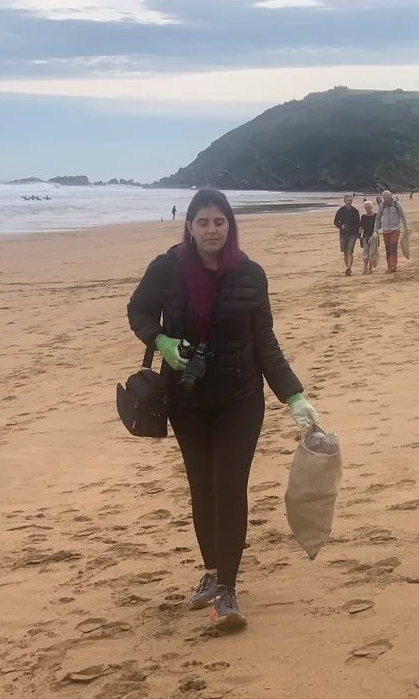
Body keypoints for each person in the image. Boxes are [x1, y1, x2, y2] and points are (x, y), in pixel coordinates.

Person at [127, 188, 319, 630]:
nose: (212, 229)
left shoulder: (250, 274)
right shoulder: (166, 268)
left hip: (240, 398)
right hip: (187, 400)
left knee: (229, 486)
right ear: (189, 227)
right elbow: (138, 311)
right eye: (203, 222)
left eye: (219, 221)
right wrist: (160, 340)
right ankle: (212, 571)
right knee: (202, 487)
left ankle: (227, 592)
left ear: (230, 225)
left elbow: (265, 343)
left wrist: (294, 396)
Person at [376, 191, 408, 274]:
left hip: (395, 229)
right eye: (384, 198)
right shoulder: (382, 206)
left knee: (393, 247)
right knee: (388, 249)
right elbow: (378, 218)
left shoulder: (397, 205)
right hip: (385, 230)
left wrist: (406, 228)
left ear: (391, 196)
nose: (386, 199)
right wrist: (375, 230)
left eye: (387, 197)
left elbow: (402, 216)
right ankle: (389, 266)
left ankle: (393, 266)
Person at [333, 194, 360, 276]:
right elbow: (335, 221)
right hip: (343, 234)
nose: (349, 202)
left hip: (353, 234)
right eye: (347, 201)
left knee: (350, 251)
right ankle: (347, 268)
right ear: (344, 201)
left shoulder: (355, 211)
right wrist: (340, 226)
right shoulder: (340, 211)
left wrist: (358, 234)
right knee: (345, 252)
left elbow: (358, 223)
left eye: (350, 201)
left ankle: (349, 268)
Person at [361, 201, 377, 274]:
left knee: (372, 253)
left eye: (368, 207)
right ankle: (365, 268)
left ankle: (370, 268)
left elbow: (378, 225)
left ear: (371, 207)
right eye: (366, 208)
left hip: (373, 237)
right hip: (365, 236)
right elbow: (361, 226)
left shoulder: (375, 216)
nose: (367, 209)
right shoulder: (363, 217)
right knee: (365, 253)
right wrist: (359, 234)